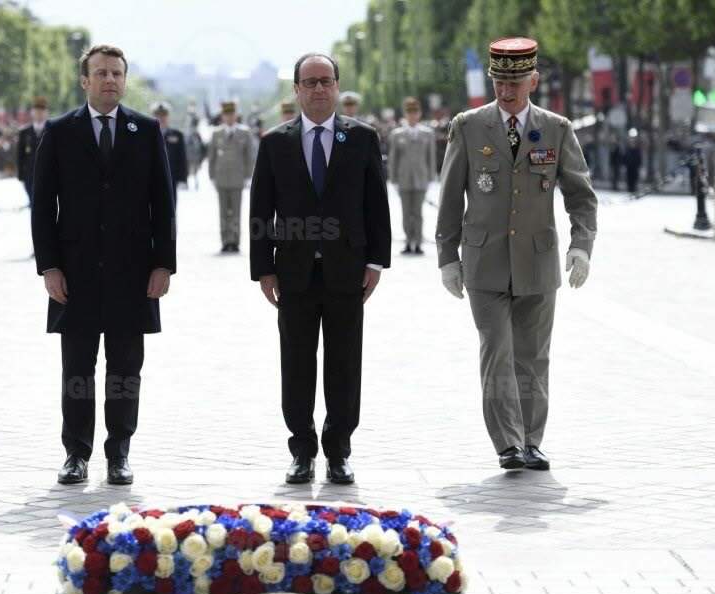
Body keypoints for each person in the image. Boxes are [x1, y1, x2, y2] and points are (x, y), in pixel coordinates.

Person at [436, 37, 597, 471]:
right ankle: (507, 443)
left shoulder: (558, 128)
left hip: (538, 261)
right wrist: (447, 256)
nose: (506, 91)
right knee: (497, 350)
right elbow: (451, 197)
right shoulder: (468, 127)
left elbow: (581, 197)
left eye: (515, 82)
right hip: (484, 261)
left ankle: (531, 440)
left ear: (534, 80)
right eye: (499, 81)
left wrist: (581, 247)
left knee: (533, 355)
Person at [31, 44, 176, 486]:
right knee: (77, 369)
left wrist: (163, 265)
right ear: (85, 80)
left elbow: (163, 204)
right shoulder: (59, 132)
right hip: (74, 274)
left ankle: (119, 452)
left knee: (125, 369)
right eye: (101, 72)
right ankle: (76, 453)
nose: (110, 79)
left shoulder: (146, 130)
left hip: (133, 274)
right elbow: (42, 206)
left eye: (117, 73)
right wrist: (49, 267)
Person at [249, 53, 391, 485]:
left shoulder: (362, 138)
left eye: (325, 81)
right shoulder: (275, 142)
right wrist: (263, 269)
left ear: (336, 86)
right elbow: (260, 209)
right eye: (308, 82)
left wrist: (375, 260)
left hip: (347, 270)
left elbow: (376, 205)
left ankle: (339, 450)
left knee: (345, 361)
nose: (317, 89)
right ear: (295, 90)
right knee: (296, 361)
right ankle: (301, 449)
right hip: (292, 272)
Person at [388, 97, 436, 255]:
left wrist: (431, 177)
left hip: (421, 178)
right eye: (409, 112)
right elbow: (393, 158)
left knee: (418, 213)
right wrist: (393, 179)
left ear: (419, 113)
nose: (412, 115)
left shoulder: (427, 133)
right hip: (403, 178)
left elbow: (431, 157)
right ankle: (409, 241)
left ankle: (418, 242)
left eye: (415, 112)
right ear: (405, 114)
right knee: (406, 212)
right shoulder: (397, 134)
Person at [209, 101, 254, 253]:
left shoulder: (244, 132)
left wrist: (248, 176)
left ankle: (234, 241)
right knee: (223, 212)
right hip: (221, 178)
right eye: (226, 114)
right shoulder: (216, 133)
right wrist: (212, 176)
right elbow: (212, 156)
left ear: (236, 115)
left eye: (231, 114)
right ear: (222, 116)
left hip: (237, 178)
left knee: (235, 211)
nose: (229, 117)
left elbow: (249, 156)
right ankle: (224, 241)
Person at [151, 101, 188, 209]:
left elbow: (182, 158)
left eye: (164, 115)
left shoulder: (177, 135)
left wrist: (183, 179)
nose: (161, 118)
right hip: (151, 179)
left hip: (171, 179)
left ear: (168, 116)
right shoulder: (146, 133)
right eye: (158, 115)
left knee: (170, 210)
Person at [17, 96, 49, 206]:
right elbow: (20, 155)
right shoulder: (24, 132)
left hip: (48, 174)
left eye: (42, 111)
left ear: (46, 113)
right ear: (32, 113)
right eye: (36, 111)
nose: (39, 114)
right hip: (30, 174)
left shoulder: (53, 130)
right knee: (33, 203)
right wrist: (21, 175)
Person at [185, 115, 205, 190]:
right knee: (190, 171)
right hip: (190, 155)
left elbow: (201, 146)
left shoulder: (196, 134)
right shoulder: (190, 133)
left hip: (195, 156)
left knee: (194, 171)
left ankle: (194, 184)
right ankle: (188, 183)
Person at [624, 129, 643, 194]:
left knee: (634, 178)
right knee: (629, 179)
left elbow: (639, 157)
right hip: (629, 166)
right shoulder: (627, 147)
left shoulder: (637, 148)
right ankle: (629, 190)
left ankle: (633, 190)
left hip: (635, 166)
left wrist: (639, 164)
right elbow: (625, 157)